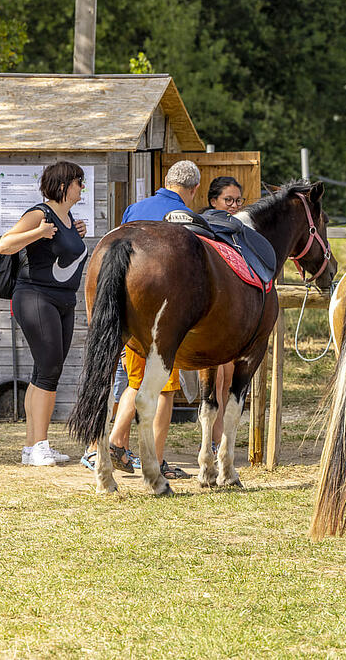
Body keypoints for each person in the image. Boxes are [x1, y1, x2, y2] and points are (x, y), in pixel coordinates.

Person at [105, 160, 203, 481]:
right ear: (193, 189)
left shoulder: (134, 209)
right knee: (163, 389)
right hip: (164, 313)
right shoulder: (187, 218)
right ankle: (156, 460)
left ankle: (117, 441)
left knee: (136, 381)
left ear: (166, 181)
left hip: (130, 308)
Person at [0, 161, 88, 466]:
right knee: (48, 369)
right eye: (78, 181)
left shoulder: (69, 216)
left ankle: (32, 447)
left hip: (64, 301)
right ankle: (38, 445)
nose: (82, 187)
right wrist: (37, 232)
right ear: (63, 185)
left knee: (45, 371)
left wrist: (77, 233)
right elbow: (5, 244)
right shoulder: (41, 213)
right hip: (35, 296)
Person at [202, 175, 244, 455]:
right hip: (210, 315)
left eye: (238, 201)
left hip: (232, 316)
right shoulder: (205, 227)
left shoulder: (238, 230)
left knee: (228, 378)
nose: (234, 205)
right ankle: (212, 440)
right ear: (213, 201)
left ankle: (218, 441)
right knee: (215, 380)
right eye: (228, 200)